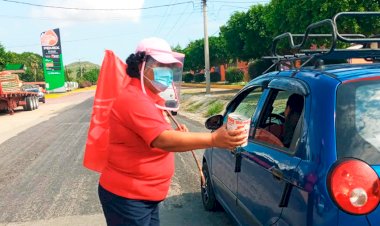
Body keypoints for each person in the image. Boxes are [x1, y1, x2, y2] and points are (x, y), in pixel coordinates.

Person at [96, 37, 247, 226]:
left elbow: (153, 134)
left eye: (169, 67)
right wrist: (214, 139)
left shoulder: (149, 98)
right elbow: (162, 139)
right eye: (160, 65)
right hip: (129, 197)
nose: (166, 72)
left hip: (142, 196)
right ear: (142, 65)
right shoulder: (134, 99)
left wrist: (176, 134)